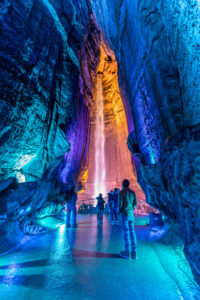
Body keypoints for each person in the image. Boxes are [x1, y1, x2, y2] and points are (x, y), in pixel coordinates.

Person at [119, 179, 137, 259]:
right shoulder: (132, 192)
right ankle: (134, 253)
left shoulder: (121, 192)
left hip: (125, 214)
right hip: (131, 215)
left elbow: (120, 204)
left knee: (126, 233)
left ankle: (127, 252)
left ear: (123, 185)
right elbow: (135, 203)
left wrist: (120, 210)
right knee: (132, 233)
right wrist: (131, 208)